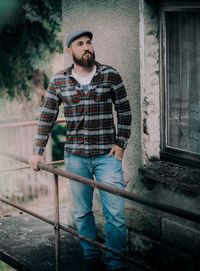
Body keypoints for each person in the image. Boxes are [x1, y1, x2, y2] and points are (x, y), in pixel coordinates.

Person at [29, 29, 132, 271]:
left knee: (116, 215)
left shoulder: (110, 75)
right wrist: (37, 151)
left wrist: (121, 143)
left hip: (107, 156)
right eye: (79, 43)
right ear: (69, 50)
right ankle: (90, 256)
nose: (86, 47)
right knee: (82, 212)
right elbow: (47, 118)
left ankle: (116, 264)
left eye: (89, 43)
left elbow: (125, 111)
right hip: (75, 157)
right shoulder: (59, 80)